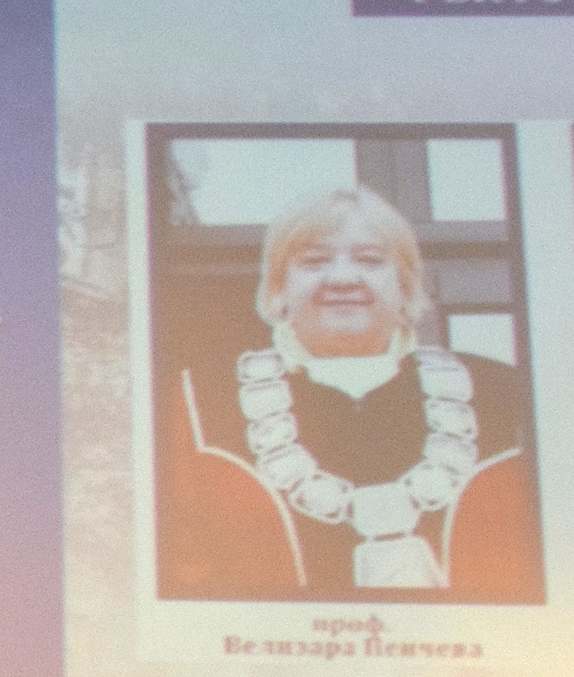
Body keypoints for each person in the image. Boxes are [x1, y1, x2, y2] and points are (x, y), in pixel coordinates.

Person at [158, 185, 542, 601]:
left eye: (370, 260)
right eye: (314, 262)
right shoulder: (197, 403)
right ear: (279, 288)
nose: (342, 279)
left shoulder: (506, 395)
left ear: (405, 286)